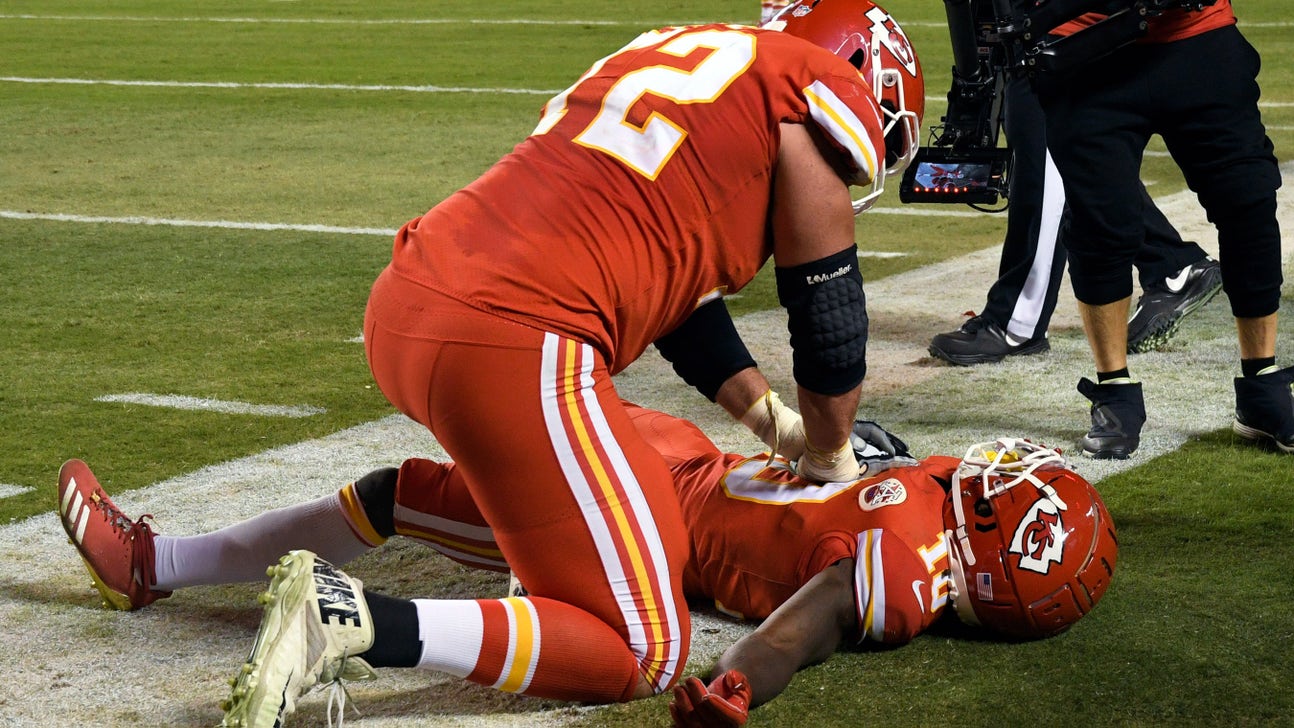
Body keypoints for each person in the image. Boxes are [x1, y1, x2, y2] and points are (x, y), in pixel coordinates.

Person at [235, 1, 925, 723]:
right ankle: (356, 621)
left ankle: (170, 561)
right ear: (858, 72)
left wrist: (771, 422)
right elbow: (829, 323)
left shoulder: (685, 55)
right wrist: (829, 452)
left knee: (642, 529)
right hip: (512, 339)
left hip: (408, 297)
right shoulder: (812, 94)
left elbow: (675, 294)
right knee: (646, 646)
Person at [56, 405, 1117, 726]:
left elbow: (814, 614)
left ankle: (157, 563)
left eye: (1015, 486)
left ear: (992, 537)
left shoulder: (907, 565)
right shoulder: (930, 502)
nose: (1005, 468)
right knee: (482, 426)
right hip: (686, 461)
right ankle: (164, 563)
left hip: (650, 514)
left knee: (403, 489)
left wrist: (740, 681)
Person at [1030, 1, 1292, 458]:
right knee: (1101, 222)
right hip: (1085, 48)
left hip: (1197, 34)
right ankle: (1115, 389)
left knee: (1247, 199)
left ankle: (1262, 385)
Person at [926, 0, 1222, 367]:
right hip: (1064, 25)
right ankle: (1173, 264)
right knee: (1082, 159)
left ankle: (1016, 321)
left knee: (1047, 150)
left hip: (1065, 28)